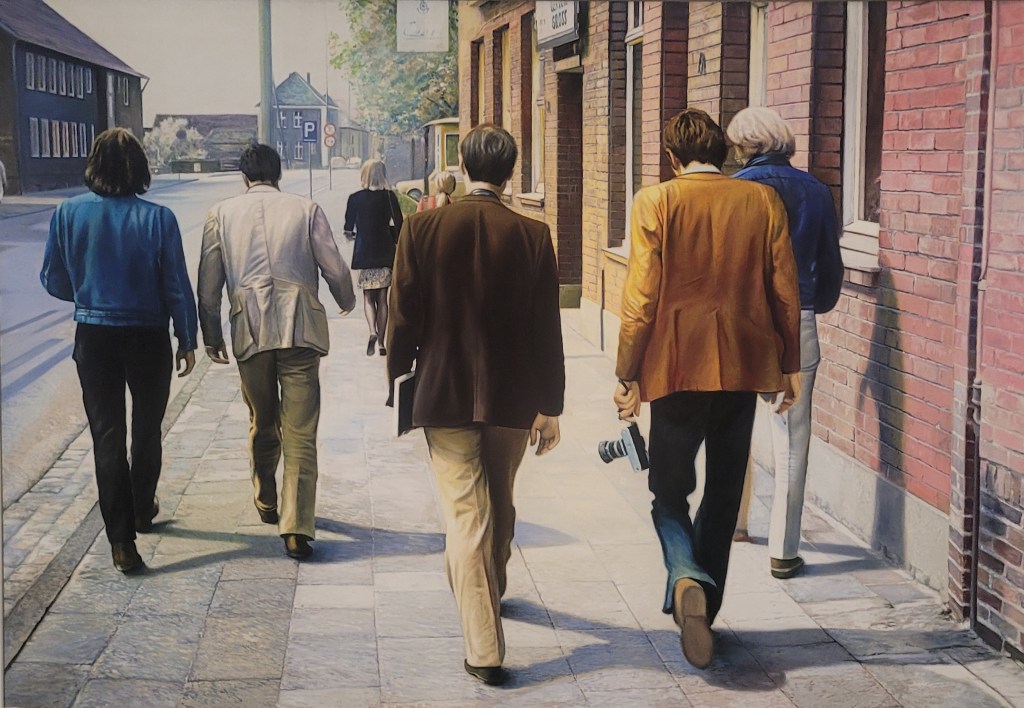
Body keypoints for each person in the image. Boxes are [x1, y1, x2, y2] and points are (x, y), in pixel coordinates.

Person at [613, 108, 801, 669]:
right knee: (724, 490)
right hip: (742, 364)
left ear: (672, 158)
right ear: (724, 154)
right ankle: (705, 609)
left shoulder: (656, 201)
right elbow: (784, 289)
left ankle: (685, 575)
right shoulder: (762, 200)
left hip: (675, 367)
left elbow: (640, 298)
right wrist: (789, 364)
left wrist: (627, 372)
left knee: (668, 493)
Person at [387, 124, 564, 687]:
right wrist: (550, 404)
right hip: (513, 395)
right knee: (501, 506)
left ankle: (483, 644)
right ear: (510, 173)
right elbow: (547, 327)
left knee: (466, 515)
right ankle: (490, 593)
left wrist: (398, 373)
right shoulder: (533, 235)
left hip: (444, 391)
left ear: (462, 167)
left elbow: (402, 313)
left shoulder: (421, 228)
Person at [40, 128, 197, 574]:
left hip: (94, 337)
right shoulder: (159, 218)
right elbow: (176, 285)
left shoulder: (67, 213)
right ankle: (143, 508)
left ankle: (121, 542)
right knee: (146, 430)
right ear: (139, 168)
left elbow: (53, 279)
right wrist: (187, 338)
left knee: (106, 436)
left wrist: (87, 294)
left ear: (94, 165)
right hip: (148, 335)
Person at [198, 143, 355, 561]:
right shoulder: (306, 209)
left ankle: (266, 491)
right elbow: (335, 267)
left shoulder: (220, 214)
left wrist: (211, 335)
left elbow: (209, 285)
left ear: (244, 177)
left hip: (249, 330)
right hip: (300, 326)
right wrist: (346, 299)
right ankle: (297, 527)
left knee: (262, 419)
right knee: (300, 429)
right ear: (278, 173)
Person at [727, 106, 844, 579]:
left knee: (732, 426)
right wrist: (813, 304)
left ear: (744, 145)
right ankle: (783, 549)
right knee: (791, 438)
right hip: (799, 321)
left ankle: (735, 523)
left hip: (740, 324)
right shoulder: (816, 190)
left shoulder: (735, 190)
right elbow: (830, 264)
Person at [344, 159, 403, 357]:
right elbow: (400, 224)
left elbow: (348, 230)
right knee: (382, 298)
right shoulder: (389, 197)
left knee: (368, 298)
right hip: (384, 252)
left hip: (364, 253)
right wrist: (391, 234)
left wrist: (356, 234)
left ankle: (372, 331)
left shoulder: (355, 198)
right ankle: (381, 343)